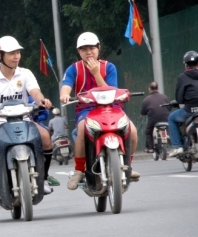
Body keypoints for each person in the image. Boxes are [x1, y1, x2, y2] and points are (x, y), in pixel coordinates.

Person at [0, 36, 54, 200]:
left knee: (45, 137)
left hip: (23, 118)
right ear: (0, 56)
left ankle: (43, 179)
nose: (16, 56)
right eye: (11, 53)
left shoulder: (26, 74)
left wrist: (42, 101)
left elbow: (35, 92)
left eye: (18, 52)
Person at [59, 32, 140, 190]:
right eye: (83, 49)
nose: (88, 52)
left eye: (91, 48)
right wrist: (65, 95)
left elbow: (109, 89)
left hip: (111, 107)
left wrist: (96, 73)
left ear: (98, 48)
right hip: (86, 109)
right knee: (82, 128)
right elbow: (66, 85)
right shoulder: (73, 69)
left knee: (133, 131)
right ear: (79, 52)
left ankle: (127, 166)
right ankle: (79, 170)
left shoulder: (109, 67)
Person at [139, 82, 170, 152]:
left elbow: (143, 112)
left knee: (148, 132)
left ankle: (150, 148)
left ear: (149, 89)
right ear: (158, 88)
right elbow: (169, 108)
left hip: (153, 120)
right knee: (167, 127)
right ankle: (168, 138)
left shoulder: (146, 100)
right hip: (165, 118)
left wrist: (143, 114)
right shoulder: (165, 97)